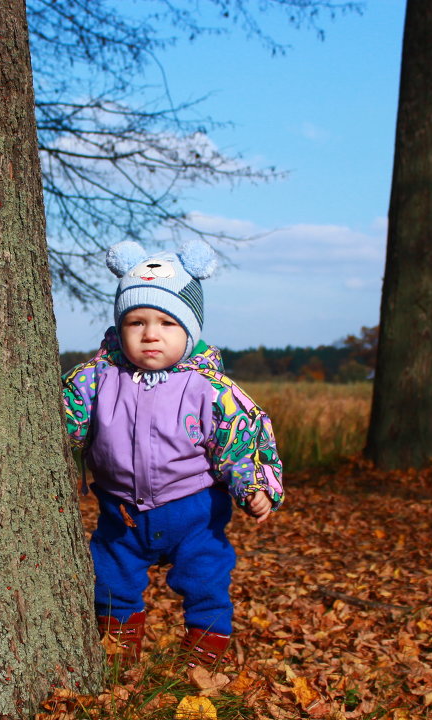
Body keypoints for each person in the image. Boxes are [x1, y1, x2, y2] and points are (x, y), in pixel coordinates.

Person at [62, 240, 284, 669]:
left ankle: (201, 662)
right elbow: (65, 419)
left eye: (166, 322)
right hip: (121, 513)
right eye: (136, 322)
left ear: (190, 329)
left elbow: (241, 441)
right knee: (110, 579)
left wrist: (255, 485)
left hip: (194, 512)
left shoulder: (210, 388)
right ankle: (117, 656)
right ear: (120, 328)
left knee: (205, 580)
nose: (150, 334)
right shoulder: (97, 379)